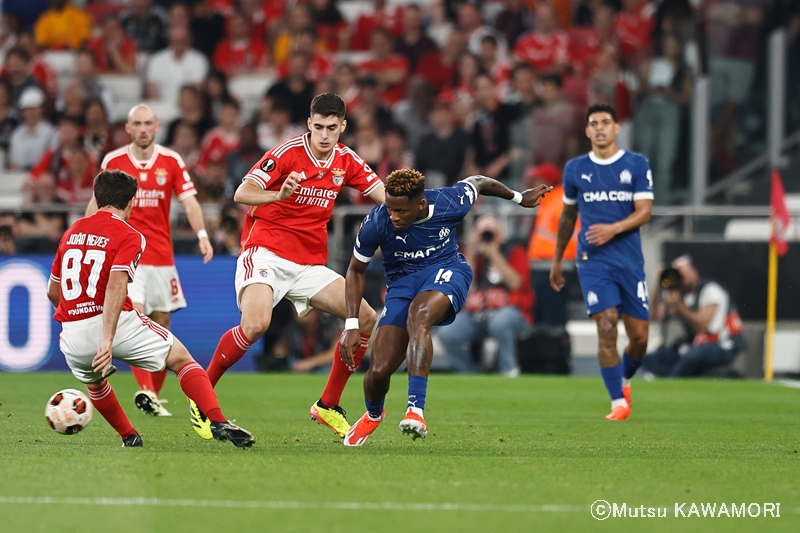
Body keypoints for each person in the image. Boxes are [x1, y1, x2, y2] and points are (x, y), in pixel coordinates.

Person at [198, 93, 385, 439]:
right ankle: (202, 394)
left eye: (332, 128)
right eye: (318, 127)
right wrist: (277, 195)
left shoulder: (347, 160)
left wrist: (421, 210)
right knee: (255, 325)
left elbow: (383, 195)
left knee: (367, 317)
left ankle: (328, 404)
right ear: (309, 125)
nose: (325, 135)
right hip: (265, 250)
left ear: (343, 127)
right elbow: (242, 192)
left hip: (308, 264)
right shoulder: (286, 153)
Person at [340, 170, 550, 446]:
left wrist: (518, 197)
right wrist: (351, 324)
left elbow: (478, 182)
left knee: (420, 314)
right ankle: (374, 415)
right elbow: (355, 271)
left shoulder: (449, 202)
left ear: (421, 204)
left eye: (401, 211)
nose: (394, 216)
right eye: (390, 208)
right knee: (377, 373)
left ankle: (415, 409)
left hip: (446, 271)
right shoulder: (376, 221)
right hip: (402, 285)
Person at [47, 169, 253, 448]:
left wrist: (76, 322)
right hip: (115, 325)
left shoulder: (70, 233)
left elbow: (53, 292)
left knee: (95, 384)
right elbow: (117, 285)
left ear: (97, 198)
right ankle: (217, 419)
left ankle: (129, 436)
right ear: (131, 201)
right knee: (181, 359)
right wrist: (106, 339)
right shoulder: (129, 234)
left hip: (72, 334)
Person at [85, 104, 214, 417]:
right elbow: (95, 207)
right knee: (136, 314)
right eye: (136, 124)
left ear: (156, 127)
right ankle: (145, 390)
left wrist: (202, 234)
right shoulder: (113, 161)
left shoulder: (171, 161)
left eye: (147, 123)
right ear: (128, 128)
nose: (142, 129)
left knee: (162, 323)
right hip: (126, 257)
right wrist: (89, 238)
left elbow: (189, 201)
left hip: (161, 256)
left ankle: (151, 396)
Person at [549, 103, 653, 421]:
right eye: (593, 123)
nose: (599, 128)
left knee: (639, 339)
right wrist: (557, 259)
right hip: (592, 259)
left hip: (629, 260)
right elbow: (568, 215)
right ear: (586, 131)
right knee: (606, 325)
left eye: (605, 122)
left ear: (617, 127)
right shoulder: (576, 169)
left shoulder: (636, 164)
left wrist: (613, 229)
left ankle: (625, 381)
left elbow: (645, 211)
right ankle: (617, 403)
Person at [437, 215, 533, 377]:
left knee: (500, 322)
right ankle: (468, 374)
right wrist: (473, 253)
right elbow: (464, 287)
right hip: (479, 314)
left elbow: (516, 283)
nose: (487, 238)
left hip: (512, 312)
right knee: (446, 333)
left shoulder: (514, 252)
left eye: (491, 234)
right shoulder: (476, 257)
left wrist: (495, 254)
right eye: (484, 234)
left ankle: (508, 370)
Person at [643, 255, 744, 377]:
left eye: (683, 275)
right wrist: (658, 284)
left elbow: (702, 326)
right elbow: (654, 317)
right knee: (651, 359)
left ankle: (672, 382)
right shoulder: (680, 295)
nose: (681, 280)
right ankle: (674, 377)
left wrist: (679, 306)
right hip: (694, 347)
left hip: (722, 344)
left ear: (694, 273)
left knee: (691, 356)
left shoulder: (711, 291)